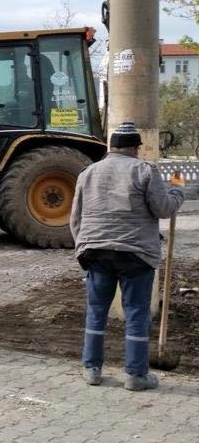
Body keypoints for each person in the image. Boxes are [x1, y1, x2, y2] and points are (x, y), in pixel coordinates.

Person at [70, 122, 184, 391]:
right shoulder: (144, 170)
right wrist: (177, 188)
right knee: (136, 313)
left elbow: (75, 218)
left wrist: (84, 247)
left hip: (95, 252)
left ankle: (92, 370)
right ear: (135, 148)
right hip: (135, 254)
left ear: (111, 146)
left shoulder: (88, 172)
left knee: (97, 311)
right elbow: (163, 208)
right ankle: (135, 375)